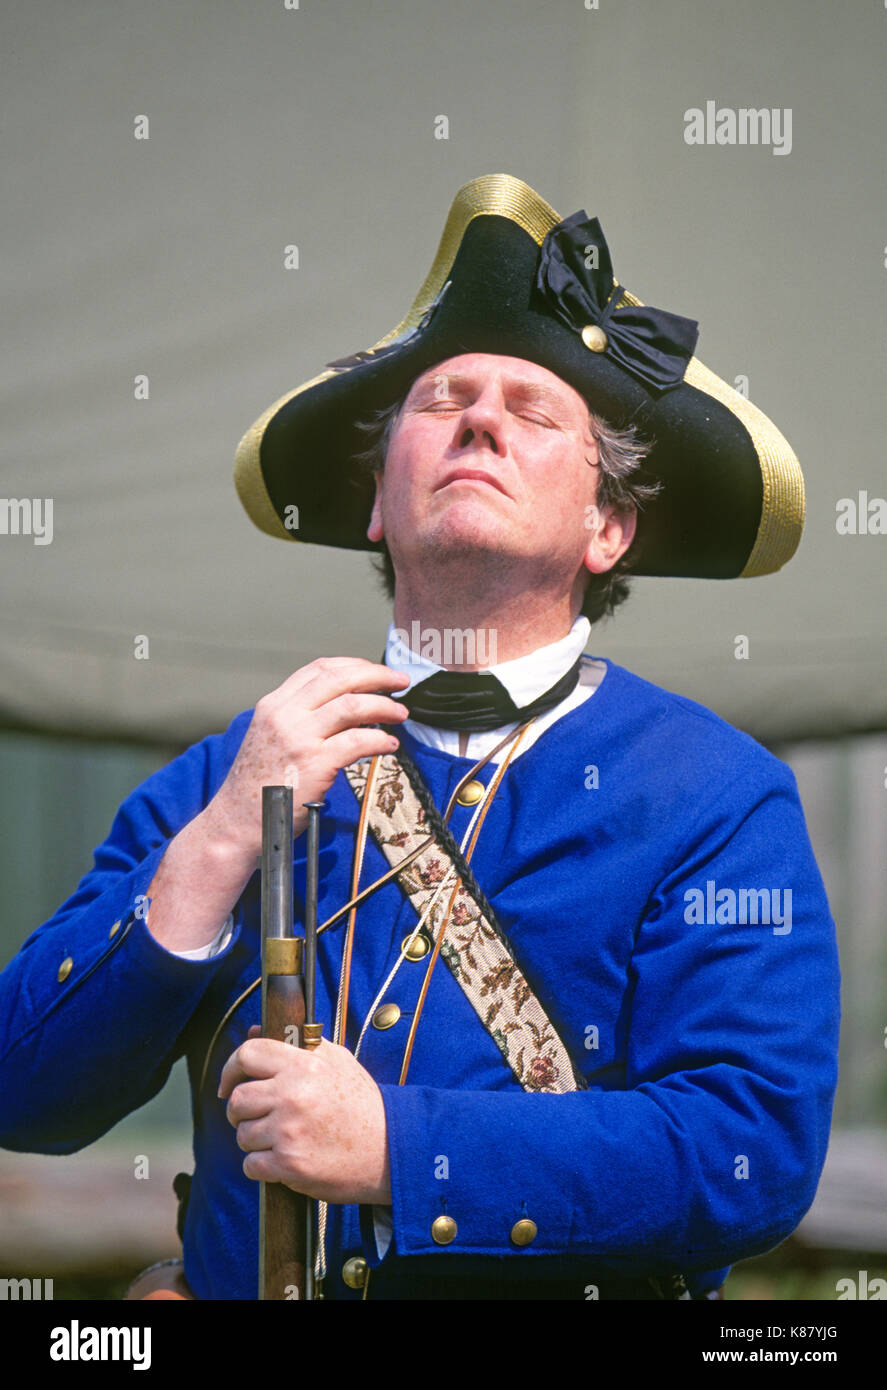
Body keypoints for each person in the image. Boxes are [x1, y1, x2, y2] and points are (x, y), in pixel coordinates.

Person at [0, 174, 840, 1301]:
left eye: (532, 412)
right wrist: (210, 850)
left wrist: (398, 1144)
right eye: (439, 400)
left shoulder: (714, 794)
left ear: (608, 527)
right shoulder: (223, 775)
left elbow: (751, 1154)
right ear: (374, 505)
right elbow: (25, 1094)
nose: (478, 417)